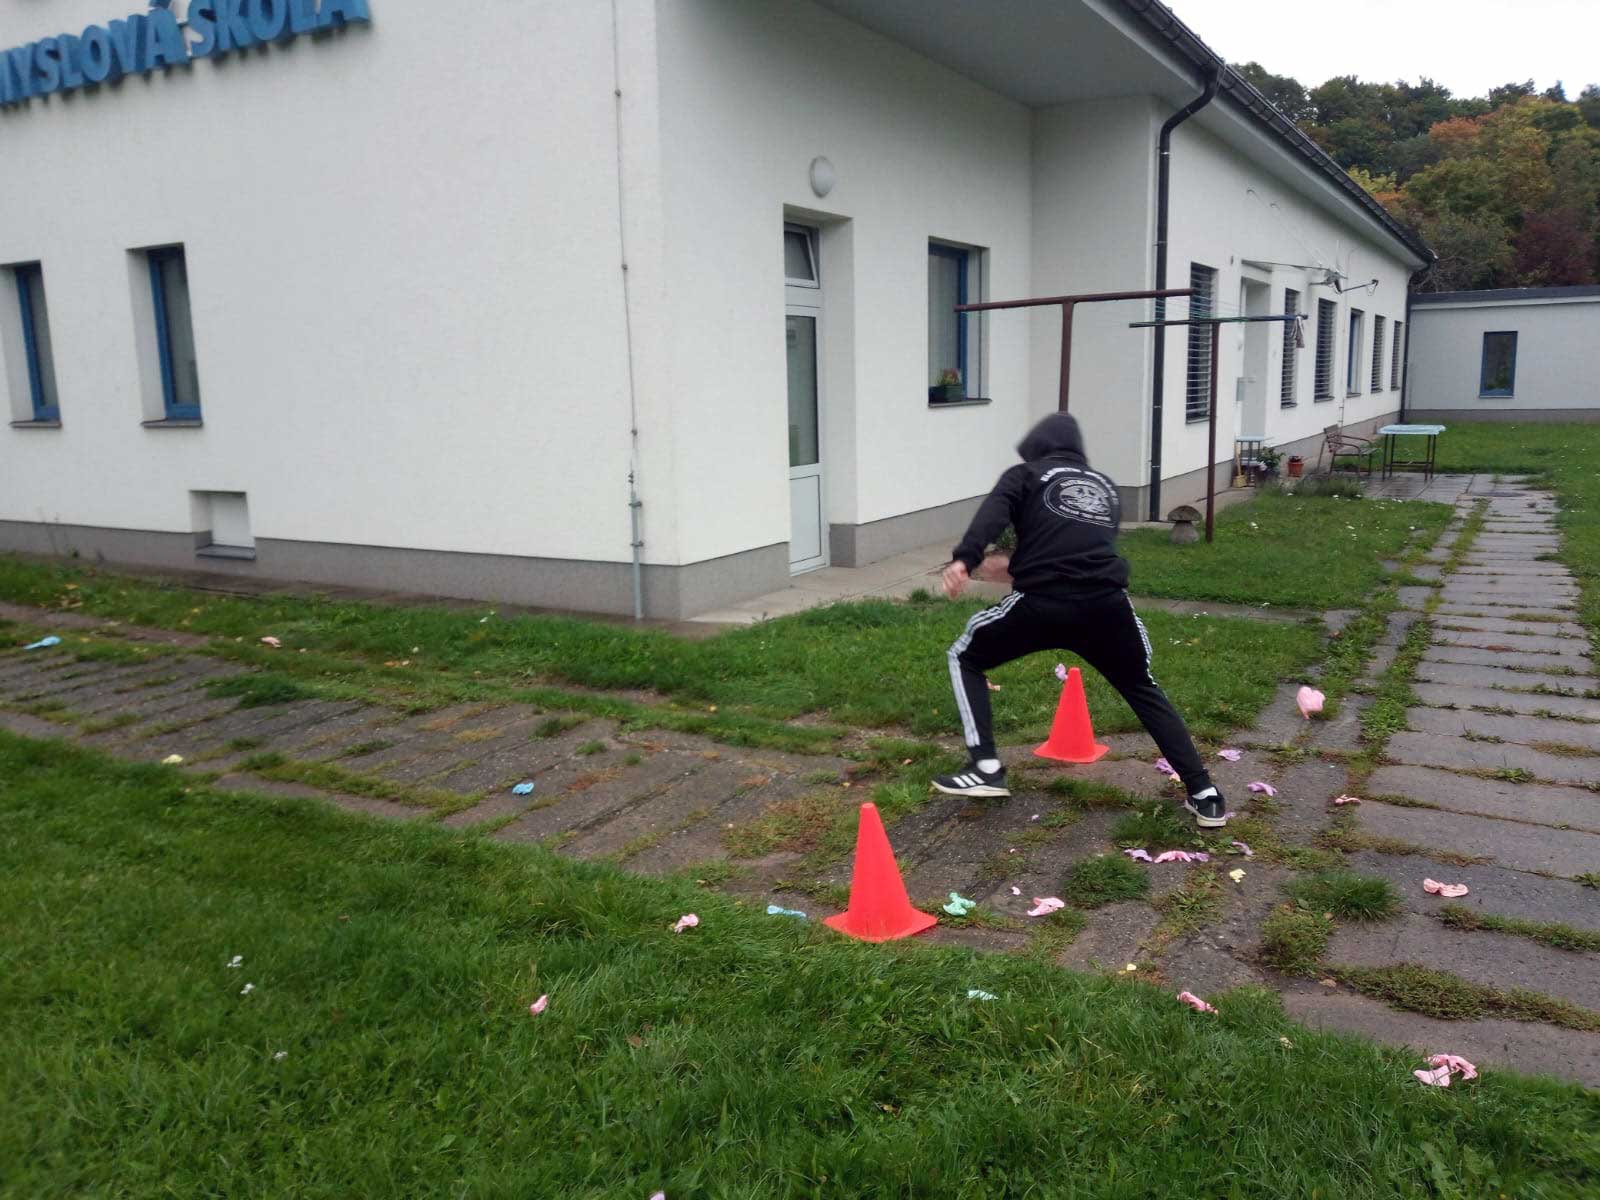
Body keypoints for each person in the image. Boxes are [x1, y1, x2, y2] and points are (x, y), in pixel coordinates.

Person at [932, 412, 1227, 828]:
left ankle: (985, 767)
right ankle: (1204, 792)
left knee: (965, 656)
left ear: (1037, 449)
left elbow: (992, 515)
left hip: (1043, 604)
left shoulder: (1024, 475)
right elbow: (1075, 546)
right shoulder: (1105, 487)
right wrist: (1015, 565)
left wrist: (965, 559)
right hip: (1107, 606)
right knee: (1141, 686)